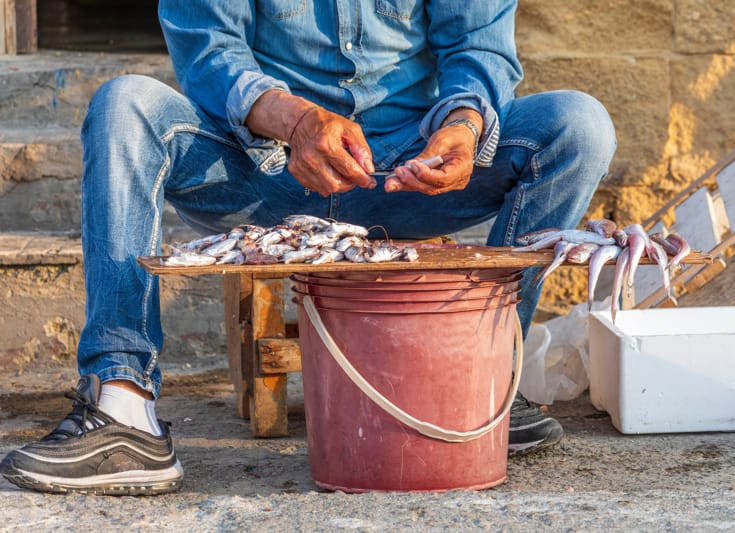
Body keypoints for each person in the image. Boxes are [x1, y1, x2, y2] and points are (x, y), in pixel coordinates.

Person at [0, 1, 616, 495]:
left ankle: (483, 392)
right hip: (261, 169)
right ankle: (123, 405)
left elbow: (478, 48)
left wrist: (463, 125)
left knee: (578, 125)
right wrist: (295, 121)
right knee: (124, 103)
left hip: (408, 174)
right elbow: (210, 50)